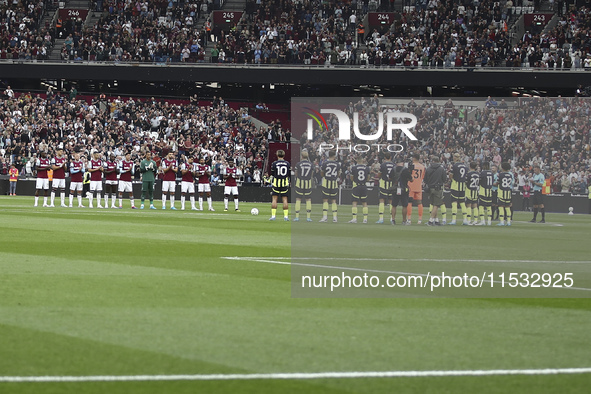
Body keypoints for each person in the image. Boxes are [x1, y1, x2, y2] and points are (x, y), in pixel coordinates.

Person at [319, 150, 341, 223]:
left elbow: (322, 173)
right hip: (334, 183)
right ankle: (335, 218)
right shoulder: (337, 164)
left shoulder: (325, 163)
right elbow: (338, 173)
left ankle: (325, 217)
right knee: (334, 200)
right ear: (334, 156)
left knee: (325, 200)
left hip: (326, 183)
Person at [425, 156, 446, 226]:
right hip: (438, 188)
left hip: (430, 188)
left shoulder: (428, 168)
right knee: (436, 205)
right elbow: (444, 179)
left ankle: (436, 220)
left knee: (434, 204)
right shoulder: (441, 169)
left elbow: (425, 179)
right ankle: (431, 220)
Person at [269, 149, 290, 221]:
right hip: (284, 183)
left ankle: (273, 216)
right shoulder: (287, 163)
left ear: (277, 155)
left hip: (276, 183)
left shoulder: (274, 163)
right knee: (285, 200)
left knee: (274, 199)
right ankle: (286, 217)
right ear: (284, 155)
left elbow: (272, 174)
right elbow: (288, 174)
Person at [293, 150, 314, 222]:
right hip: (308, 183)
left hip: (299, 183)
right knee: (308, 200)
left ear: (301, 156)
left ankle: (297, 217)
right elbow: (312, 174)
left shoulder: (298, 164)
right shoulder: (311, 164)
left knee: (298, 199)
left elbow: (296, 173)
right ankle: (308, 217)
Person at [349, 156, 370, 224]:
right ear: (363, 160)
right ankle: (365, 219)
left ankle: (354, 219)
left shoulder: (354, 168)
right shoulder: (367, 168)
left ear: (357, 160)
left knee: (354, 202)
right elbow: (368, 178)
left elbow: (351, 178)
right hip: (363, 186)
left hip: (356, 186)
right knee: (364, 203)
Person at [449, 153, 469, 225]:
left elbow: (451, 175)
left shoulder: (454, 166)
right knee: (462, 203)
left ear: (455, 157)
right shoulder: (465, 166)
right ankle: (465, 220)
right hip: (463, 186)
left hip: (455, 185)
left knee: (454, 202)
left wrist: (452, 180)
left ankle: (454, 220)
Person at [390, 160, 412, 225]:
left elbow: (389, 178)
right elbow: (411, 179)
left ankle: (393, 220)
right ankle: (404, 221)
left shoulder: (393, 169)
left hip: (395, 189)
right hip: (403, 189)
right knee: (404, 205)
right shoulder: (405, 170)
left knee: (394, 205)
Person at [407, 152, 425, 224]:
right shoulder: (422, 167)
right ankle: (420, 219)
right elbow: (423, 177)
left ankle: (409, 219)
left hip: (411, 185)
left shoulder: (411, 166)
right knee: (419, 202)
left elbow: (408, 175)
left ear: (414, 158)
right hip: (418, 186)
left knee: (409, 202)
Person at [376, 152, 395, 224]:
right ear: (390, 157)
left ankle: (381, 218)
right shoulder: (393, 165)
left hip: (383, 184)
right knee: (391, 202)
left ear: (384, 158)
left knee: (381, 201)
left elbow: (379, 174)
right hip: (391, 185)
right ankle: (391, 218)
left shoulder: (383, 165)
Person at [497, 162, 514, 226]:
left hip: (502, 192)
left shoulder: (501, 175)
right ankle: (509, 222)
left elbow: (498, 183)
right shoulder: (510, 175)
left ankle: (502, 221)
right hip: (508, 192)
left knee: (501, 207)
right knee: (507, 207)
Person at [476, 162, 494, 226]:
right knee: (489, 206)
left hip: (483, 191)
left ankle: (482, 220)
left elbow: (478, 182)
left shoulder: (482, 173)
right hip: (489, 191)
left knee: (481, 206)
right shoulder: (491, 173)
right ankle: (489, 221)